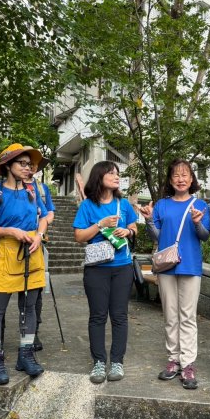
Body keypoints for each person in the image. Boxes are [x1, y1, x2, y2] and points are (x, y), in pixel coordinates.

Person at [0, 143, 48, 385]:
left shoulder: (32, 192)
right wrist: (10, 231)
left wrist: (39, 235)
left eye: (30, 164)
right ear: (8, 166)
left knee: (29, 307)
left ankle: (25, 355)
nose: (29, 168)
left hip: (31, 252)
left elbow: (44, 218)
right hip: (4, 254)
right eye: (23, 163)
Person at [139, 159, 210, 390]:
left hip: (190, 266)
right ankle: (173, 360)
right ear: (170, 180)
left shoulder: (200, 204)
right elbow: (157, 237)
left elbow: (204, 236)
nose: (181, 179)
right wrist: (149, 219)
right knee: (170, 314)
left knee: (187, 316)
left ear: (192, 179)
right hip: (167, 267)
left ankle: (188, 363)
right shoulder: (161, 205)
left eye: (185, 175)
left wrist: (198, 222)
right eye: (176, 176)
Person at [73, 161, 137, 384]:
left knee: (119, 316)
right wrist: (100, 224)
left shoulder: (124, 204)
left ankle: (117, 361)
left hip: (122, 267)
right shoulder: (88, 206)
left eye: (118, 173)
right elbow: (80, 236)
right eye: (111, 173)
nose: (116, 176)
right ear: (99, 176)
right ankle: (99, 362)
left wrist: (127, 230)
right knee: (98, 316)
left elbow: (134, 227)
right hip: (96, 269)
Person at [27, 159, 55, 351]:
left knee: (36, 291)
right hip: (12, 244)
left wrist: (41, 228)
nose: (31, 167)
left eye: (34, 164)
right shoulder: (4, 187)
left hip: (37, 242)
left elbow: (50, 213)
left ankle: (33, 331)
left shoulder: (42, 188)